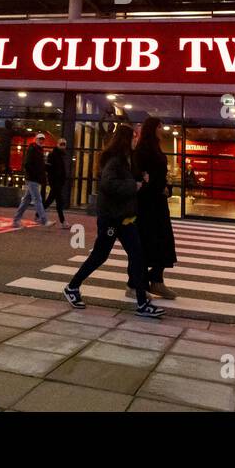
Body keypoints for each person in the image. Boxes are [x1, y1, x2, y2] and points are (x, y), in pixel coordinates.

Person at [62, 125, 165, 318]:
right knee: (100, 256)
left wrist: (140, 178)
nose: (136, 140)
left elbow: (123, 181)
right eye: (134, 137)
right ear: (126, 139)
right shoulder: (115, 160)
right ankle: (72, 287)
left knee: (137, 256)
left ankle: (142, 304)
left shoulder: (126, 160)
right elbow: (108, 184)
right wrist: (133, 185)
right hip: (112, 217)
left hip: (125, 218)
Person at [132, 116, 177, 299]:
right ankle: (139, 283)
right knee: (145, 242)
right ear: (153, 128)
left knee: (164, 242)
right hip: (147, 204)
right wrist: (156, 187)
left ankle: (156, 279)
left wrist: (166, 188)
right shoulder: (143, 149)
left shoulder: (155, 147)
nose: (162, 130)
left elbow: (158, 175)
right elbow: (140, 176)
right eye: (160, 127)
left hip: (158, 202)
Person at [12, 131, 52, 228]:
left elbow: (36, 165)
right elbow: (28, 164)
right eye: (40, 139)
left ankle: (16, 220)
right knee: (37, 199)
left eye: (42, 139)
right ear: (36, 139)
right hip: (33, 179)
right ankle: (44, 220)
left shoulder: (38, 150)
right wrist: (34, 174)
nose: (41, 141)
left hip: (33, 178)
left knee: (26, 200)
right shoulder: (33, 149)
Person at [43, 138, 70, 226]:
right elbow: (49, 169)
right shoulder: (53, 155)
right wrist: (52, 181)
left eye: (64, 144)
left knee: (52, 200)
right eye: (61, 144)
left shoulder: (62, 155)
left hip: (58, 182)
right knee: (57, 202)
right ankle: (63, 222)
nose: (63, 146)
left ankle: (38, 214)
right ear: (57, 144)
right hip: (55, 182)